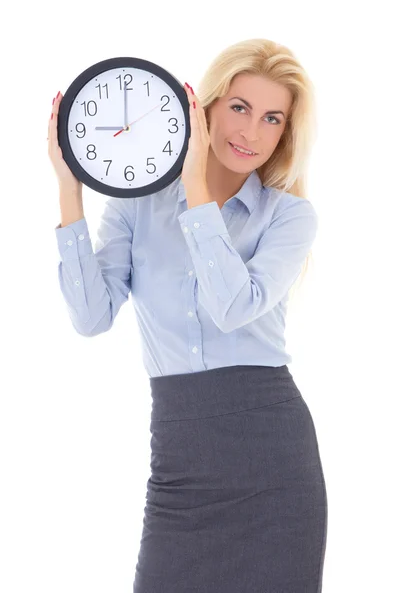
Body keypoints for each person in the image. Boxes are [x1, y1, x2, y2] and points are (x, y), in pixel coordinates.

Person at [48, 38, 328, 592]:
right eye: (240, 108)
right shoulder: (136, 204)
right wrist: (69, 192)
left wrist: (196, 187)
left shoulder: (290, 217)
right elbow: (91, 317)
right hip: (180, 459)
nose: (251, 133)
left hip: (276, 463)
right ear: (205, 106)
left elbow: (232, 306)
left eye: (272, 118)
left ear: (284, 134)